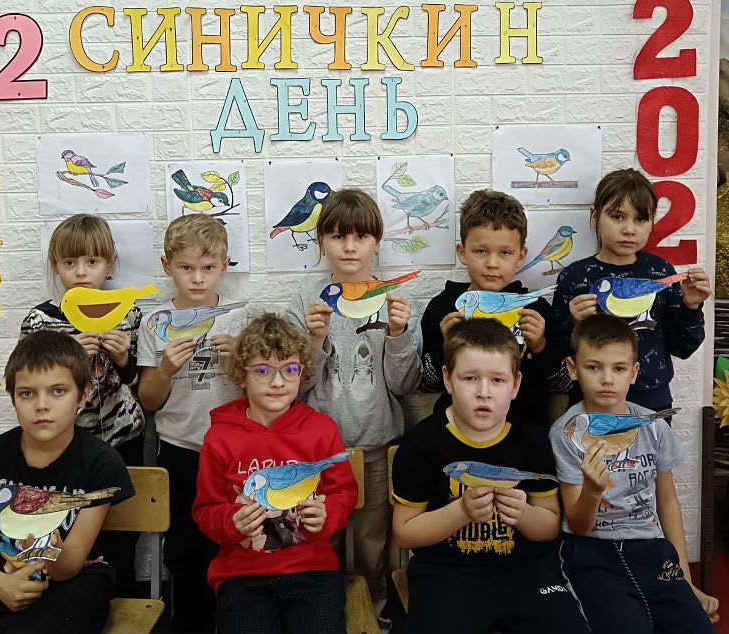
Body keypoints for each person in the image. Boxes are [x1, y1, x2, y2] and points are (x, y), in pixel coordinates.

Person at [392, 318, 588, 632]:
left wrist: (524, 514)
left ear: (515, 385)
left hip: (526, 571)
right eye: (470, 378)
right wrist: (461, 511)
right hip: (446, 574)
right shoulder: (421, 443)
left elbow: (549, 527)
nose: (483, 392)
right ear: (448, 379)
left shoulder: (532, 439)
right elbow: (404, 533)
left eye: (497, 380)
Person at [285, 188, 422, 626]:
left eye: (361, 236)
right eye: (338, 236)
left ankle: (376, 617)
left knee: (371, 547)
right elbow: (292, 389)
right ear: (321, 241)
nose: (349, 246)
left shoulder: (395, 301)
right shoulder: (304, 303)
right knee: (319, 542)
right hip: (317, 456)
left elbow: (403, 385)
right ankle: (322, 616)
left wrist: (398, 335)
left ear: (376, 242)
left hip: (377, 447)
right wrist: (314, 341)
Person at [0, 330, 134, 633]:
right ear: (13, 397)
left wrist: (50, 553)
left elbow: (69, 565)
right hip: (7, 585)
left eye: (58, 391)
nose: (42, 405)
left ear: (83, 394)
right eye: (27, 393)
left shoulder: (100, 462)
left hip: (76, 586)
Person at [549, 313, 718, 631]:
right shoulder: (566, 433)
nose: (607, 379)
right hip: (593, 552)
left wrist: (685, 580)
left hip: (651, 549)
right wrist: (592, 491)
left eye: (618, 368)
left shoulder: (654, 427)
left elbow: (668, 503)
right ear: (573, 368)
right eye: (593, 367)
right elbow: (579, 525)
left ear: (634, 372)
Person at [193, 314, 357, 633]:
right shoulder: (220, 437)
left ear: (302, 372)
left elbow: (344, 492)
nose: (278, 382)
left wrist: (326, 515)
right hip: (243, 576)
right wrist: (231, 522)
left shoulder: (321, 430)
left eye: (290, 370)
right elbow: (205, 510)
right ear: (241, 375)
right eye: (263, 370)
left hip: (312, 571)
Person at [20, 213, 144, 593]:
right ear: (55, 265)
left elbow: (137, 383)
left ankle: (121, 597)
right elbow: (27, 383)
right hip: (64, 446)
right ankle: (71, 601)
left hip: (123, 439)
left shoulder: (128, 313)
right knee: (66, 531)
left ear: (110, 263)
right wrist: (67, 355)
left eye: (92, 261)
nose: (81, 272)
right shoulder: (40, 321)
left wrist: (123, 359)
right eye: (69, 262)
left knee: (122, 535)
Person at [137, 213, 243, 632]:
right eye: (186, 267)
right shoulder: (155, 322)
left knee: (238, 542)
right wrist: (165, 368)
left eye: (208, 267)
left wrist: (240, 361)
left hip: (235, 452)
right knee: (185, 549)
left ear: (224, 265)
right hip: (181, 449)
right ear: (167, 266)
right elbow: (148, 400)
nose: (197, 278)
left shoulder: (240, 318)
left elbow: (266, 390)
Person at [551, 168, 711, 412]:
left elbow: (683, 348)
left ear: (652, 222)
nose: (629, 229)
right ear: (595, 216)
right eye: (617, 216)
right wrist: (572, 322)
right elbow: (555, 354)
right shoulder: (574, 277)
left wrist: (691, 307)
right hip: (590, 404)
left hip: (653, 403)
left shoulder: (661, 272)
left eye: (640, 219)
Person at [421, 189, 568, 425]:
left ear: (521, 256)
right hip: (457, 431)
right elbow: (428, 384)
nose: (492, 263)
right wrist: (444, 345)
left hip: (523, 432)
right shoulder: (444, 308)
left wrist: (541, 346)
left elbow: (563, 384)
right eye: (481, 251)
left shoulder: (536, 309)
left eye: (505, 253)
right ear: (462, 253)